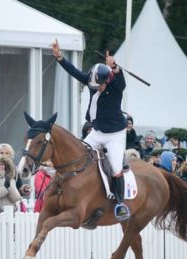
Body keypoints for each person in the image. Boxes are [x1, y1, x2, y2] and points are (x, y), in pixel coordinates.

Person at [52, 38, 130, 221]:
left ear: (108, 79)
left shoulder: (115, 86)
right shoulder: (93, 81)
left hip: (114, 135)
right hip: (96, 132)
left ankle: (120, 203)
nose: (98, 89)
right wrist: (60, 58)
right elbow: (75, 73)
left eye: (100, 86)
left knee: (116, 168)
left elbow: (122, 82)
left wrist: (115, 67)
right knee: (77, 155)